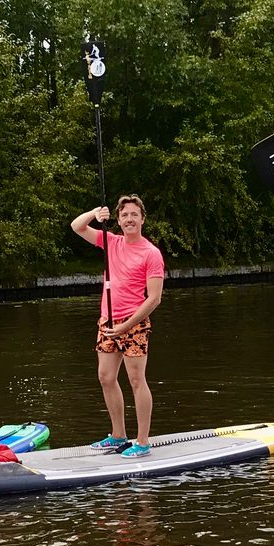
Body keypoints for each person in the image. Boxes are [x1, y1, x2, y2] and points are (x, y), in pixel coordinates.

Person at [70, 194, 164, 457]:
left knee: (136, 380)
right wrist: (94, 213)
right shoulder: (110, 242)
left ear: (142, 219)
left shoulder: (151, 253)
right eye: (125, 215)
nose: (129, 219)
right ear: (119, 221)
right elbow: (77, 227)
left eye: (134, 214)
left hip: (134, 324)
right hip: (107, 322)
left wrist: (127, 325)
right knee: (106, 377)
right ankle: (118, 435)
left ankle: (143, 442)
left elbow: (154, 298)